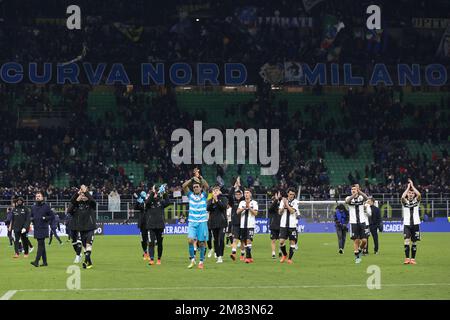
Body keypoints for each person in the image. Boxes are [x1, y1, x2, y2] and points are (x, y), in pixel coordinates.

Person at [182, 168, 209, 269]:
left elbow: (207, 186)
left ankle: (201, 261)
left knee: (201, 242)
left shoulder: (204, 196)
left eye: (197, 187)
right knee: (190, 240)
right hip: (192, 222)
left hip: (202, 222)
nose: (196, 188)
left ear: (200, 188)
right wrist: (192, 179)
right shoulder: (190, 195)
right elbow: (184, 186)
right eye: (194, 187)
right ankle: (192, 260)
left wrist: (200, 177)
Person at [70, 185, 97, 269]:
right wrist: (77, 194)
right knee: (85, 246)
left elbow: (93, 201)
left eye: (84, 194)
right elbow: (70, 208)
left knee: (89, 244)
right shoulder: (78, 204)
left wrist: (85, 191)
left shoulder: (91, 203)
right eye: (81, 194)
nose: (83, 196)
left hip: (90, 227)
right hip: (81, 228)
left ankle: (85, 261)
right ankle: (89, 262)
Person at [145, 184, 170, 265]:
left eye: (156, 192)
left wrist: (164, 193)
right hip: (151, 226)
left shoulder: (161, 202)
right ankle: (151, 259)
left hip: (160, 225)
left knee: (159, 243)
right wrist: (152, 192)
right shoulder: (149, 203)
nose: (156, 193)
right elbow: (148, 202)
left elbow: (168, 202)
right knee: (151, 242)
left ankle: (159, 259)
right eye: (155, 192)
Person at [345, 184, 370, 264]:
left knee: (364, 241)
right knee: (356, 240)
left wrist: (359, 191)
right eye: (352, 189)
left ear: (357, 190)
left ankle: (359, 250)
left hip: (362, 222)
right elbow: (347, 201)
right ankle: (357, 258)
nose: (353, 190)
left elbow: (366, 198)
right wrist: (353, 195)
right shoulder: (349, 198)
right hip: (353, 223)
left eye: (355, 189)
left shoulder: (360, 198)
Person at [30, 191, 54, 267]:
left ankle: (36, 261)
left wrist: (45, 218)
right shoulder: (33, 207)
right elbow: (31, 216)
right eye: (37, 196)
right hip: (36, 228)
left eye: (39, 196)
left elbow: (52, 216)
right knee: (42, 245)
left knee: (40, 245)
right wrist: (31, 219)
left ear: (42, 197)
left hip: (43, 228)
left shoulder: (46, 206)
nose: (38, 197)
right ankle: (45, 262)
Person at [401, 179, 421, 265]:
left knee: (414, 242)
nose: (411, 194)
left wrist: (412, 186)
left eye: (412, 193)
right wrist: (408, 188)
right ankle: (406, 258)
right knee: (406, 241)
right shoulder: (404, 202)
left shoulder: (416, 201)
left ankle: (412, 259)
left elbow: (419, 194)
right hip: (407, 224)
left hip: (416, 224)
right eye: (409, 193)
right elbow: (402, 197)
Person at [207, 185, 228, 264]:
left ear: (220, 192)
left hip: (222, 223)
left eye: (217, 190)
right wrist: (213, 201)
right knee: (215, 240)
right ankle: (217, 254)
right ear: (212, 193)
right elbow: (208, 208)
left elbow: (223, 207)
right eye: (214, 191)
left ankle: (220, 256)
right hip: (213, 223)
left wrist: (217, 200)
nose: (215, 192)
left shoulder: (224, 199)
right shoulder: (210, 200)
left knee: (221, 239)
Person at [278, 188, 300, 264]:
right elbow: (280, 212)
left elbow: (292, 211)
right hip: (283, 224)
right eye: (290, 194)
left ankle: (290, 259)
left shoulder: (295, 202)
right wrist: (283, 206)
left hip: (292, 225)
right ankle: (285, 254)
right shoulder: (282, 201)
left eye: (293, 195)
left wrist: (286, 204)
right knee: (281, 242)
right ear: (288, 194)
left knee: (292, 242)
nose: (291, 196)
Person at [237, 188, 258, 263]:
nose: (246, 194)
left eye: (248, 193)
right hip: (243, 225)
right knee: (243, 242)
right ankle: (250, 257)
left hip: (250, 225)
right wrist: (243, 208)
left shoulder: (254, 203)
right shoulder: (242, 202)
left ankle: (247, 258)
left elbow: (255, 213)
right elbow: (237, 212)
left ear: (250, 194)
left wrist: (249, 207)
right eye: (245, 193)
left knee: (249, 240)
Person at [228, 183, 245, 261]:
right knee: (235, 239)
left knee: (242, 241)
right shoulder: (232, 202)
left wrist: (240, 186)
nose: (238, 195)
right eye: (236, 194)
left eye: (239, 194)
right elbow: (229, 195)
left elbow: (245, 193)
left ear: (241, 195)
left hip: (243, 223)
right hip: (235, 223)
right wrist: (233, 187)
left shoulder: (243, 201)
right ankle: (233, 253)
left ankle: (242, 254)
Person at [134, 190, 149, 260]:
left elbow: (148, 207)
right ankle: (145, 252)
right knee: (143, 239)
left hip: (149, 223)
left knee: (149, 239)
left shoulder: (148, 202)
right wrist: (138, 200)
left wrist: (145, 201)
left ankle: (149, 253)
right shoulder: (140, 202)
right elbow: (135, 207)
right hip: (142, 224)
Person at [268, 191, 282, 259]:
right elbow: (272, 207)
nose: (274, 201)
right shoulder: (271, 208)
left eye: (275, 200)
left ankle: (280, 251)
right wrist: (276, 200)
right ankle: (273, 253)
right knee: (273, 240)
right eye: (273, 200)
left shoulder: (280, 208)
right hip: (273, 226)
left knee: (281, 241)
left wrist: (279, 199)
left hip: (280, 226)